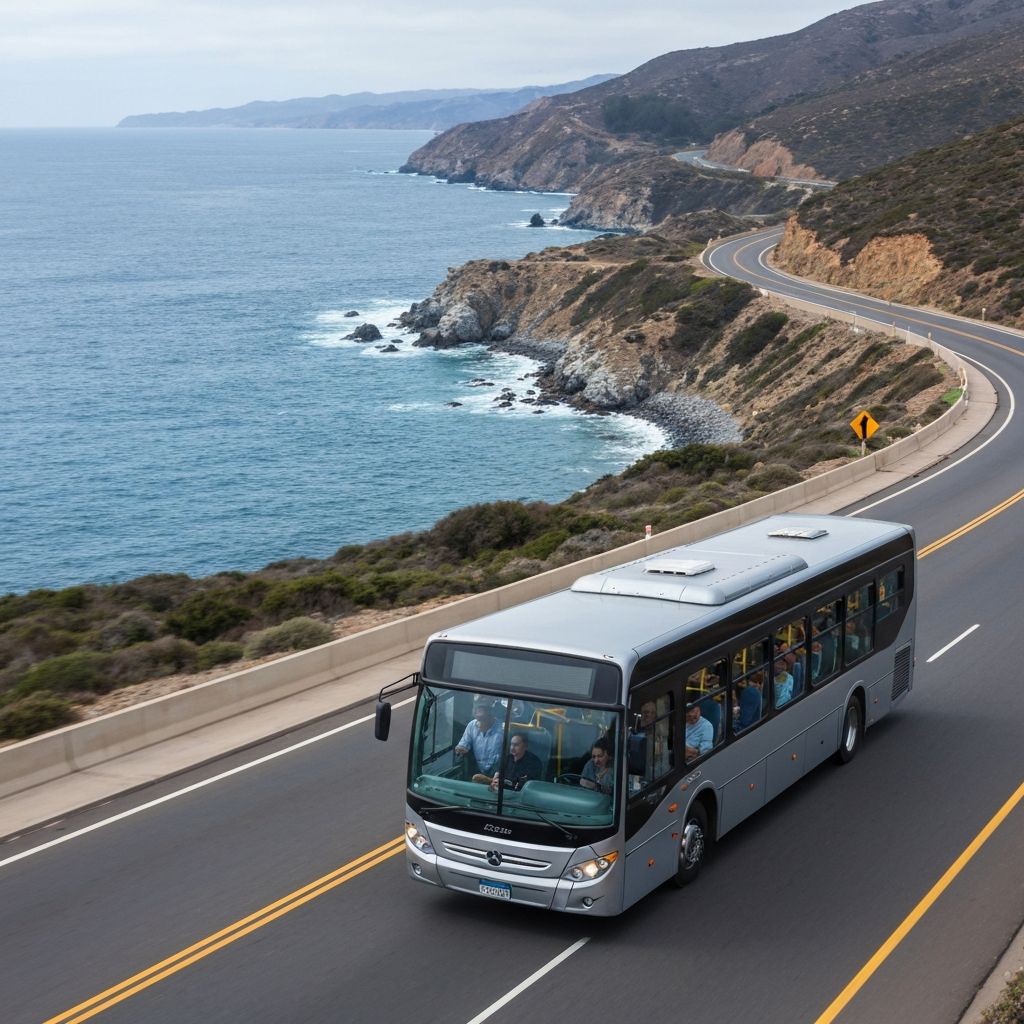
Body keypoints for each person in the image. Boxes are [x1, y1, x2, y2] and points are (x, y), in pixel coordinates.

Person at [455, 697, 503, 778]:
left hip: (497, 773)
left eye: (483, 721)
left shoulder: (502, 729)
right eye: (478, 721)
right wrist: (460, 748)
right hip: (477, 771)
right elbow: (464, 744)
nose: (479, 725)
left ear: (490, 714)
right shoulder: (472, 725)